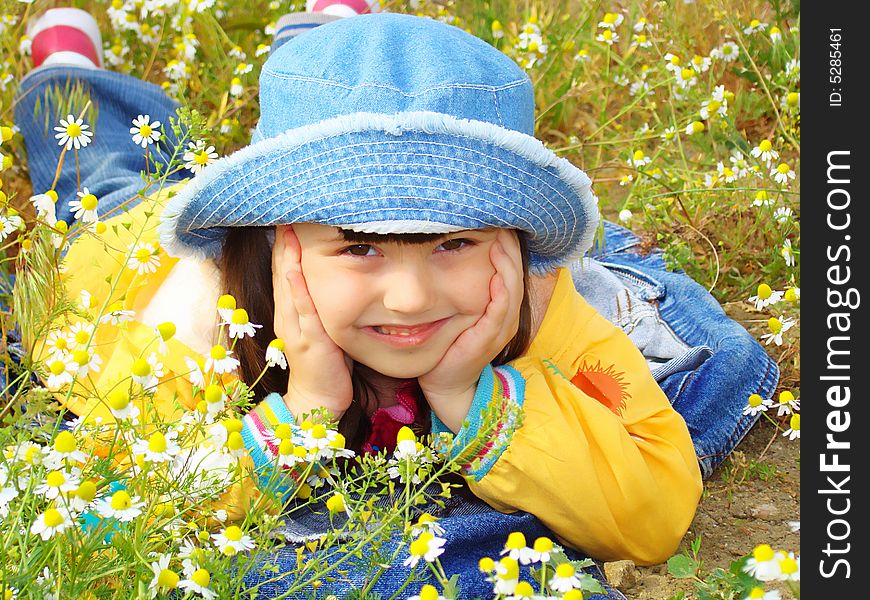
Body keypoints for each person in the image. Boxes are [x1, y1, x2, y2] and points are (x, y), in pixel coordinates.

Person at [11, 3, 779, 598]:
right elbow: (108, 513)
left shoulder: (545, 303)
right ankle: (65, 69)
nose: (410, 298)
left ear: (512, 244)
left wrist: (468, 393)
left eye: (454, 243)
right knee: (105, 176)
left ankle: (332, 43)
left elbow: (653, 512)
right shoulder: (195, 319)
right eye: (360, 245)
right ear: (283, 243)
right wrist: (303, 409)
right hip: (130, 251)